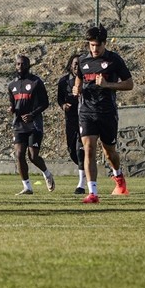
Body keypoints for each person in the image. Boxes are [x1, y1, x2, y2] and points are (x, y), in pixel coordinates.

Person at [72, 25, 134, 204]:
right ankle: (93, 193)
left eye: (98, 45)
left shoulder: (114, 60)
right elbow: (79, 77)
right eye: (91, 45)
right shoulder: (83, 61)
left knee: (109, 152)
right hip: (87, 112)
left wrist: (108, 85)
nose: (94, 49)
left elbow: (129, 84)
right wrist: (78, 88)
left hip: (107, 112)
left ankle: (119, 177)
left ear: (105, 44)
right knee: (89, 148)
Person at [7, 54, 53, 195]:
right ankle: (27, 187)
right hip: (19, 125)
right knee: (19, 154)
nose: (20, 66)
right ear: (15, 66)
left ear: (29, 65)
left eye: (23, 64)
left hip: (34, 125)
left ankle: (47, 173)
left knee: (33, 156)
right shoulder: (12, 85)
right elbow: (13, 104)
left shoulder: (36, 82)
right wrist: (12, 109)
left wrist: (32, 114)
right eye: (18, 64)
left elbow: (45, 103)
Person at [56, 53, 87, 194]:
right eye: (75, 64)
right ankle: (86, 169)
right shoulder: (63, 82)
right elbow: (59, 99)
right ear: (70, 65)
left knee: (80, 150)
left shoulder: (86, 80)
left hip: (84, 117)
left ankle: (81, 184)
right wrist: (64, 106)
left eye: (79, 64)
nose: (77, 66)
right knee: (71, 150)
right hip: (70, 119)